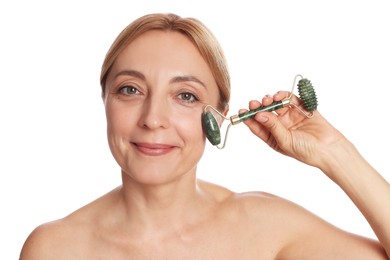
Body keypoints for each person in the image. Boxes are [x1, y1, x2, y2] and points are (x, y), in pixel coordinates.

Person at [20, 13, 390, 259]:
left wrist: (335, 153)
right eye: (130, 90)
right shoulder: (54, 248)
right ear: (105, 101)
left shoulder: (265, 227)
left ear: (219, 116)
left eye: (186, 96)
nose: (153, 119)